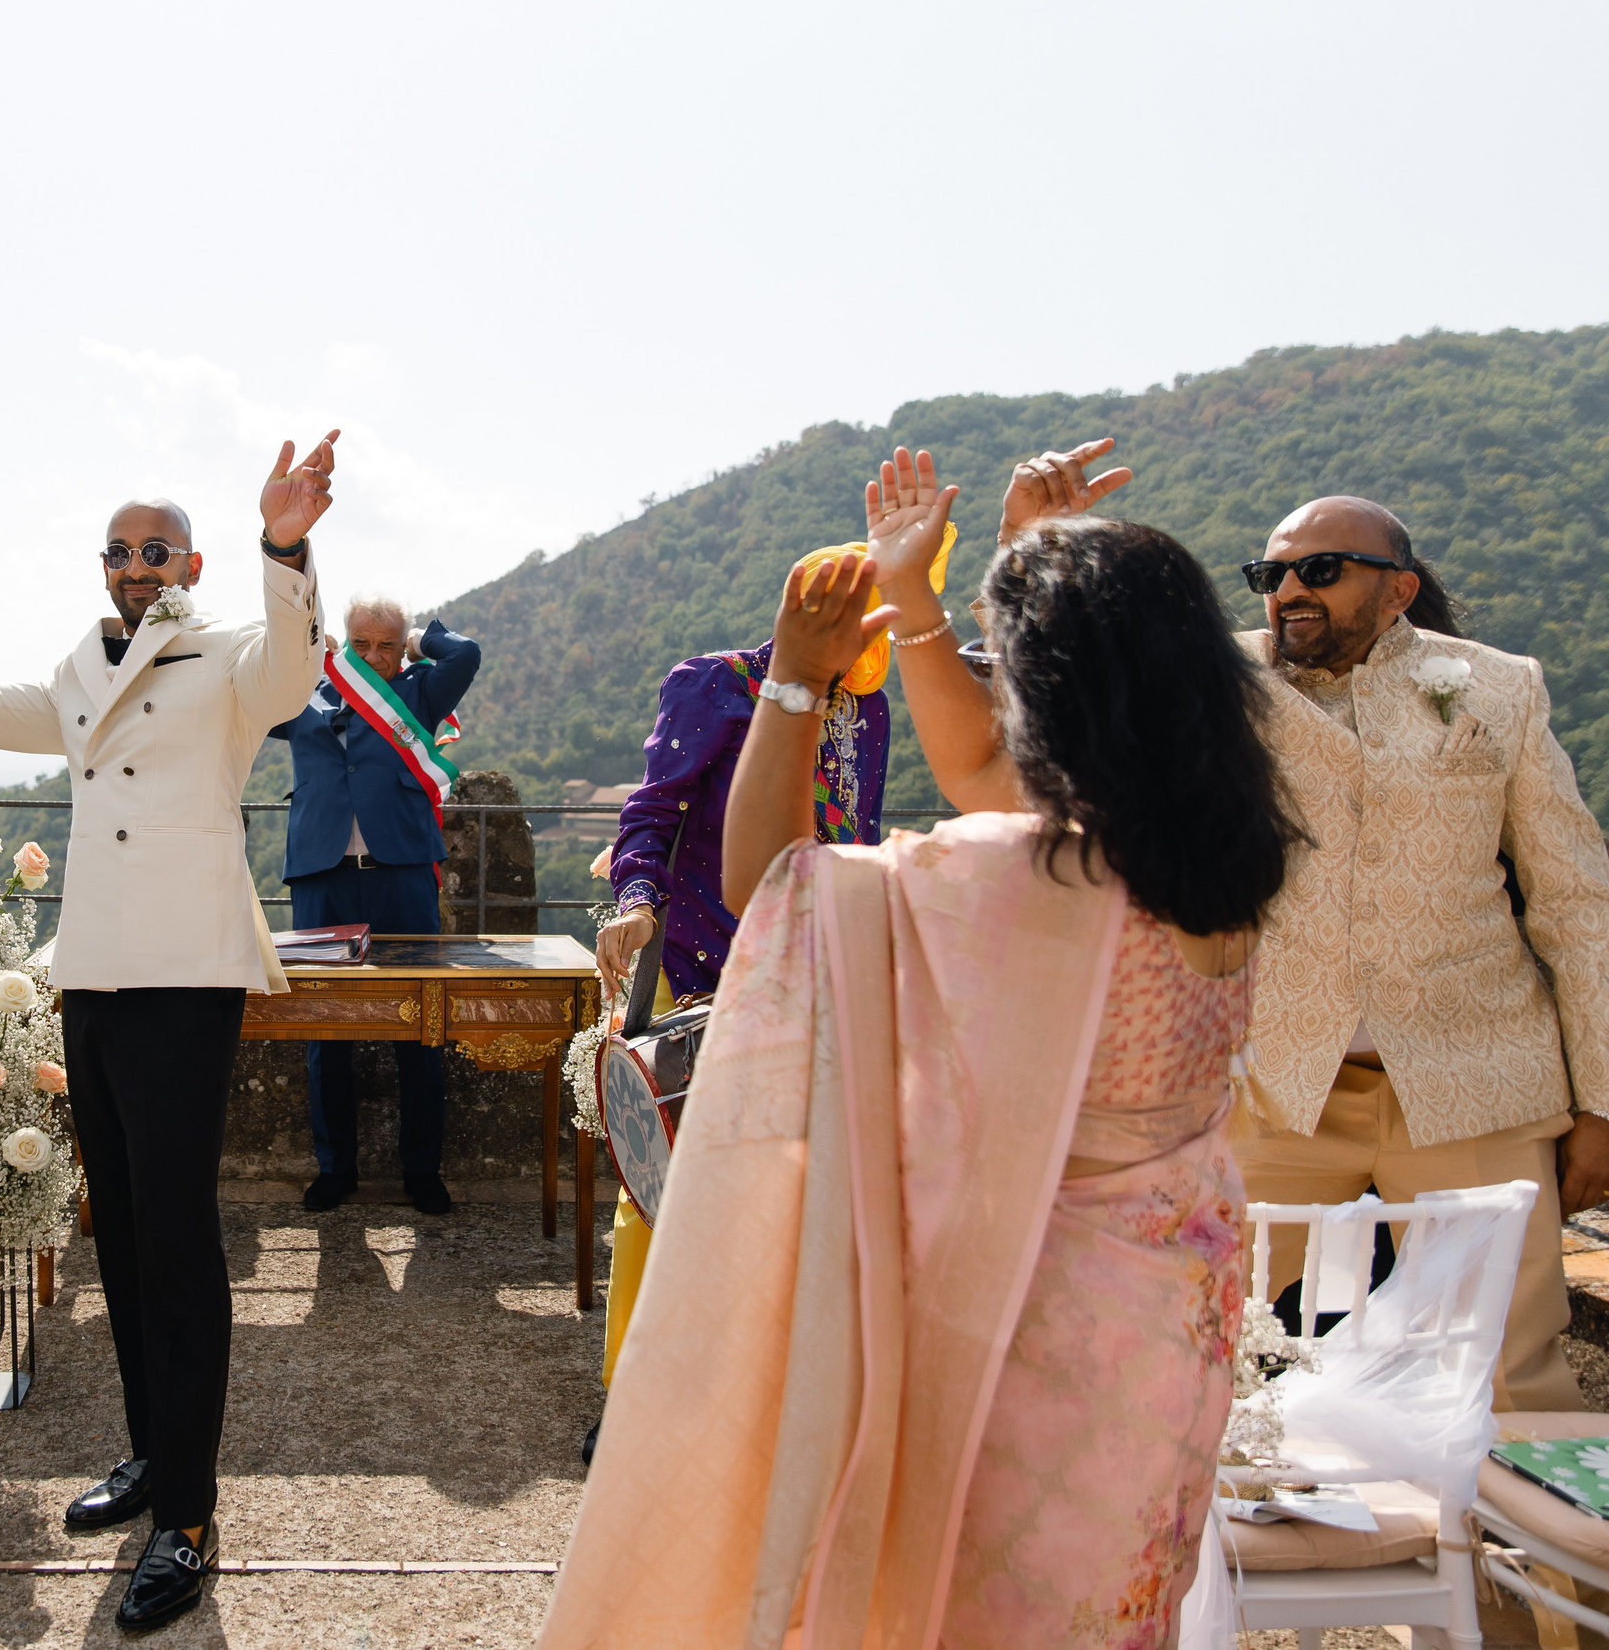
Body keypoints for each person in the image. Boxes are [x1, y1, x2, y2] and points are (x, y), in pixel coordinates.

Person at [546, 468, 1294, 1645]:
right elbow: (982, 774)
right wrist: (915, 587)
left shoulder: (1013, 882)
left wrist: (791, 680)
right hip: (1167, 1324)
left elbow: (770, 886)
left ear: (1042, 700)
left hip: (1025, 1335)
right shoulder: (1219, 859)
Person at [0, 435, 333, 1634]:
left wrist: (287, 545)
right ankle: (154, 1460)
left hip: (184, 976)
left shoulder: (234, 659)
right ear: (103, 566)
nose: (138, 566)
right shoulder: (76, 671)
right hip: (93, 977)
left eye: (158, 550)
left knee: (183, 1244)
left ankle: (190, 1520)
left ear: (192, 560)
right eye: (120, 551)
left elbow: (300, 669)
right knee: (129, 1242)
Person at [985, 446, 1609, 1411]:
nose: (1289, 590)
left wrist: (1601, 1101)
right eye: (1270, 574)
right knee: (1212, 1361)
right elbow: (1069, 706)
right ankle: (1238, 1564)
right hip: (1278, 1084)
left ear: (1397, 587)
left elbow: (1577, 904)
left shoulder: (1497, 688)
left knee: (1514, 1372)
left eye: (1320, 569)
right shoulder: (1216, 679)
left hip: (1477, 1075)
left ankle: (1549, 1569)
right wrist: (1026, 548)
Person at [581, 536, 934, 1444]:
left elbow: (852, 830)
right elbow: (650, 813)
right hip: (706, 971)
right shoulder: (716, 683)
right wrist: (633, 900)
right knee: (663, 1189)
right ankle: (635, 1404)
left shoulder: (873, 705)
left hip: (816, 973)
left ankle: (750, 1398)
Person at [268, 594, 481, 1215]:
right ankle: (335, 1170)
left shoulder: (416, 693)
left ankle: (423, 1172)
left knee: (421, 1027)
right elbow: (248, 693)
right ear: (343, 642)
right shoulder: (305, 692)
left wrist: (417, 641)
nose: (373, 656)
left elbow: (465, 653)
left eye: (386, 645)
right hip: (321, 875)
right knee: (323, 1031)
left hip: (403, 874)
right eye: (361, 643)